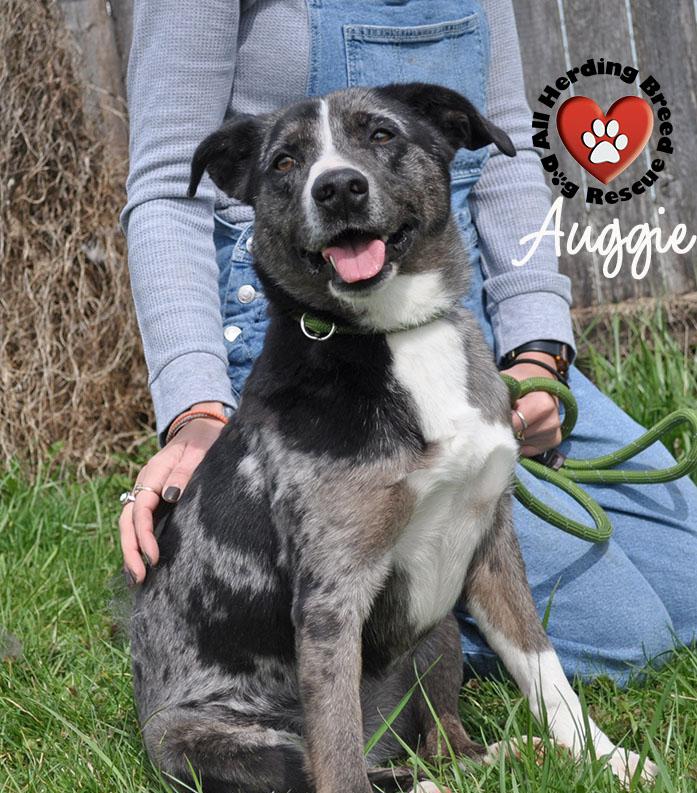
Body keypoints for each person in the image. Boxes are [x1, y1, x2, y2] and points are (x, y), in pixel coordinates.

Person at [120, 0, 697, 686]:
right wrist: (195, 407)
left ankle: (411, 580)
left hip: (453, 326)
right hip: (311, 345)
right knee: (628, 636)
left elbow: (504, 154)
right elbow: (168, 188)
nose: (344, 176)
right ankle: (318, 619)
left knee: (687, 590)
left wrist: (537, 352)